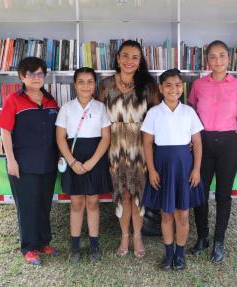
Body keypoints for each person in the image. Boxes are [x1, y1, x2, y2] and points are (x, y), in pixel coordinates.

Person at [188, 40, 237, 263]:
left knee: (224, 195)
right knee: (199, 192)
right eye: (213, 56)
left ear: (229, 58)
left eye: (222, 56)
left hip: (228, 144)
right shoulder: (198, 85)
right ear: (207, 60)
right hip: (203, 143)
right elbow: (191, 114)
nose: (218, 61)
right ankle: (203, 236)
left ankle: (219, 241)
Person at [97, 40, 160, 258]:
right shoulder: (105, 85)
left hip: (141, 147)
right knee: (123, 194)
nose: (129, 61)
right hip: (115, 148)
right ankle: (125, 235)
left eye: (135, 57)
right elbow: (99, 117)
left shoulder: (149, 85)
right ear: (117, 58)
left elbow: (158, 117)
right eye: (125, 55)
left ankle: (138, 236)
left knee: (138, 196)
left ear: (140, 60)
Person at [0, 57, 59, 265]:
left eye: (40, 73)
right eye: (31, 74)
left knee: (44, 205)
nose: (36, 78)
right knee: (27, 206)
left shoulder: (51, 101)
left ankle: (43, 243)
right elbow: (5, 131)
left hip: (48, 164)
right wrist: (10, 160)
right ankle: (29, 247)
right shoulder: (13, 101)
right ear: (22, 77)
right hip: (23, 165)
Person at [141, 69, 205, 271]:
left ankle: (180, 253)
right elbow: (147, 143)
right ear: (160, 88)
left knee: (183, 214)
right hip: (162, 167)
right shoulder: (153, 113)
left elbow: (197, 142)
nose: (173, 89)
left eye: (177, 84)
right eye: (168, 85)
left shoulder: (189, 112)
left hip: (185, 168)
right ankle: (168, 254)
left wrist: (196, 169)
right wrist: (151, 170)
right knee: (166, 213)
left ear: (182, 87)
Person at [55, 67, 112, 264]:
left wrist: (92, 162)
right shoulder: (66, 108)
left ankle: (94, 245)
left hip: (95, 160)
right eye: (81, 81)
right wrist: (72, 161)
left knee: (93, 202)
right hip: (74, 160)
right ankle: (75, 246)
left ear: (94, 84)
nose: (86, 86)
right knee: (77, 203)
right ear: (75, 85)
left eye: (90, 81)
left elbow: (106, 138)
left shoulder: (100, 107)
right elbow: (60, 138)